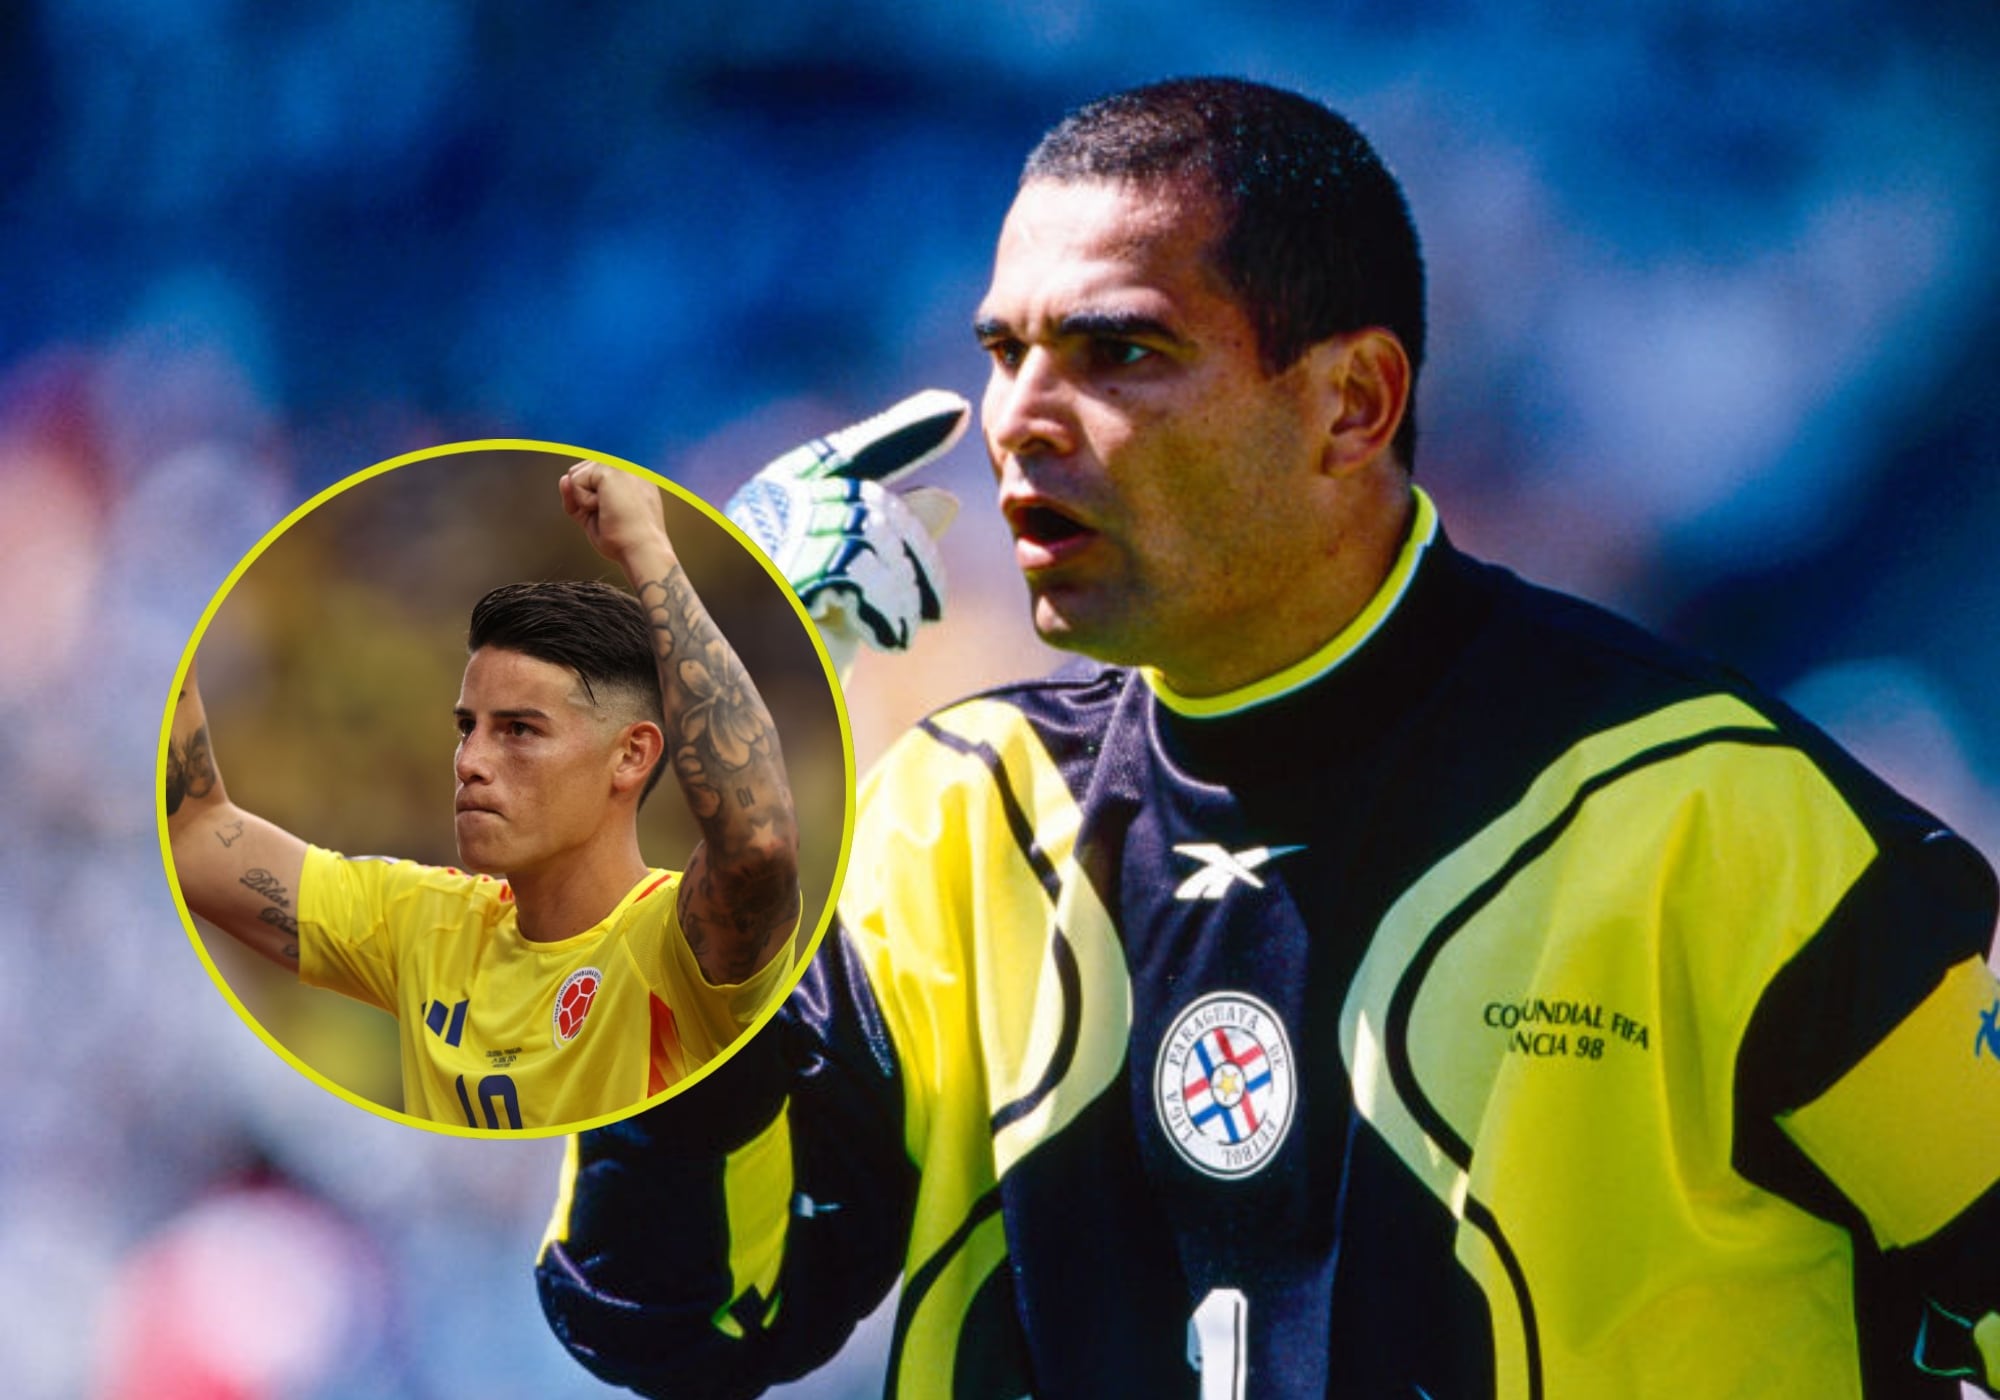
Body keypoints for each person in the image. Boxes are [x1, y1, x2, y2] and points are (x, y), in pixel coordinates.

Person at [535, 78, 2000, 1395]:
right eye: (1005, 353)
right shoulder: (944, 820)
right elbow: (670, 1314)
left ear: (1352, 402)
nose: (1020, 422)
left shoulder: (1714, 818)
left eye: (1118, 353)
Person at [165, 458, 803, 1130]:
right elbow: (200, 843)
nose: (469, 761)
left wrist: (647, 549)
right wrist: (170, 630)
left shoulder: (678, 950)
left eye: (520, 731)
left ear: (631, 755)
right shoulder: (423, 926)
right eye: (468, 728)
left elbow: (758, 840)